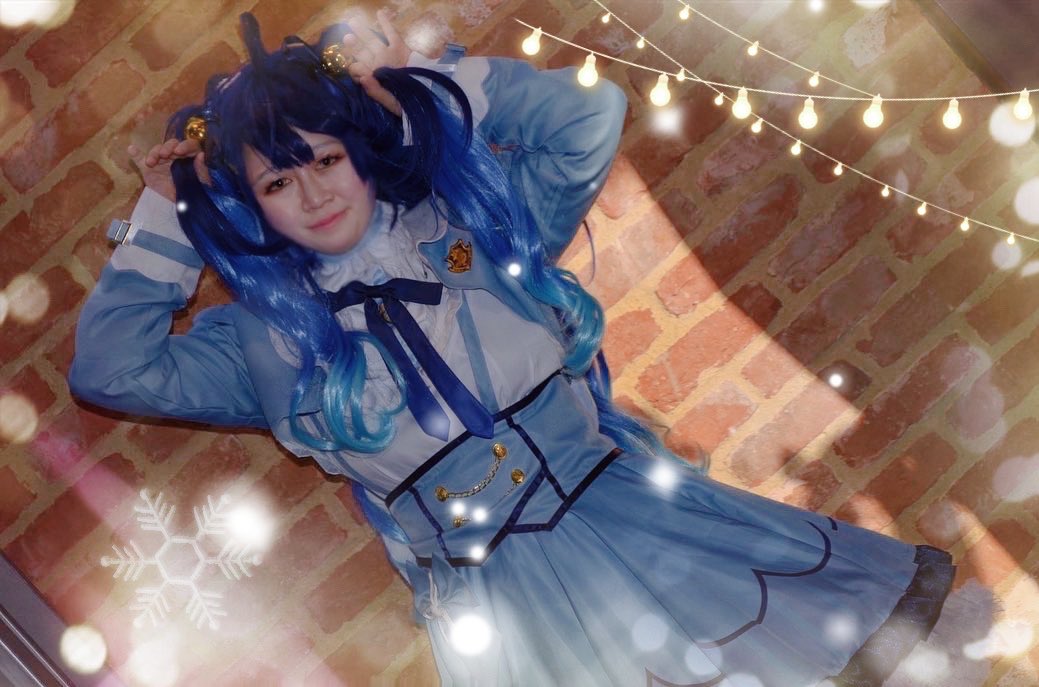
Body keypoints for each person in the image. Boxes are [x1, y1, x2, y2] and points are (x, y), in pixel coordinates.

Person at [69, 10, 953, 686]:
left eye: (326, 158)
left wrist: (414, 89)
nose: (312, 194)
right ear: (253, 205)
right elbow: (111, 369)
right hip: (508, 620)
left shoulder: (476, 222)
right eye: (277, 181)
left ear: (361, 151)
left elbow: (589, 116)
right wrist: (169, 215)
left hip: (650, 535)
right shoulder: (265, 341)